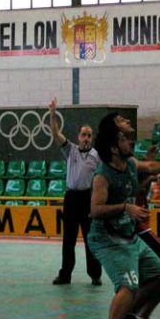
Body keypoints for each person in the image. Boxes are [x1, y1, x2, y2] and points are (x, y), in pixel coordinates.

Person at [89, 112, 160, 319]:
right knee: (128, 285)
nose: (131, 143)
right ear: (114, 147)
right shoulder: (102, 175)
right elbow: (94, 210)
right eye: (126, 140)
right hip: (107, 239)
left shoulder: (130, 165)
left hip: (127, 237)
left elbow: (145, 170)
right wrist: (126, 208)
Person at [47, 97, 103, 286]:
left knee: (91, 240)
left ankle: (95, 274)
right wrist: (52, 113)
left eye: (89, 135)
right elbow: (55, 132)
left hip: (88, 198)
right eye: (83, 135)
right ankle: (65, 275)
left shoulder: (97, 156)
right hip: (71, 198)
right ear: (78, 137)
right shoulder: (70, 150)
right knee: (68, 239)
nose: (86, 138)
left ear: (92, 138)